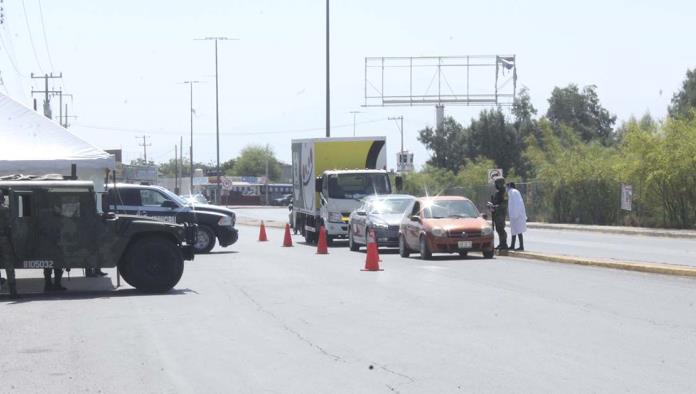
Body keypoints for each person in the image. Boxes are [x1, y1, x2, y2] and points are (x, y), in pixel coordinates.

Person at [0, 190, 17, 297]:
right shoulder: (5, 209)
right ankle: (13, 292)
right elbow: (10, 224)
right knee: (9, 265)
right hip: (3, 239)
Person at [507, 182, 527, 251]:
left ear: (509, 186)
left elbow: (516, 204)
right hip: (515, 214)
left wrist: (515, 214)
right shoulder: (514, 192)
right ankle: (512, 245)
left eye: (507, 186)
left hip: (516, 215)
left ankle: (521, 246)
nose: (507, 188)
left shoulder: (512, 192)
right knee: (514, 230)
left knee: (518, 230)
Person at [490, 177, 509, 250]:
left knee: (501, 229)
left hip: (500, 213)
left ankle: (504, 244)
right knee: (498, 228)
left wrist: (495, 206)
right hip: (496, 213)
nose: (495, 185)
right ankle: (501, 244)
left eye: (497, 183)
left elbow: (504, 204)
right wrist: (491, 205)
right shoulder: (498, 192)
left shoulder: (504, 193)